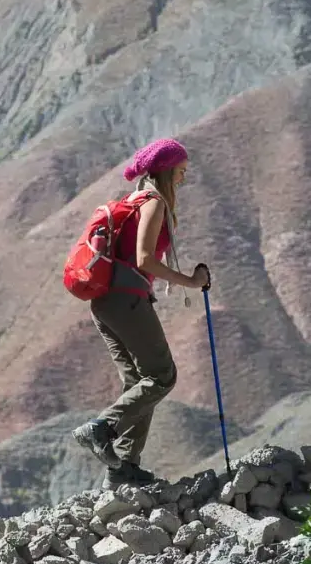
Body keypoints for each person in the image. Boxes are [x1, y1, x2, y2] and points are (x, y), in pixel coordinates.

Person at [72, 138, 210, 488]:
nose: (183, 178)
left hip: (104, 303)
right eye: (180, 172)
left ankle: (123, 469)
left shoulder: (131, 201)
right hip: (127, 301)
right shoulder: (153, 203)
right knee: (161, 376)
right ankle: (102, 428)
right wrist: (191, 282)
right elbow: (145, 258)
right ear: (166, 171)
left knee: (137, 381)